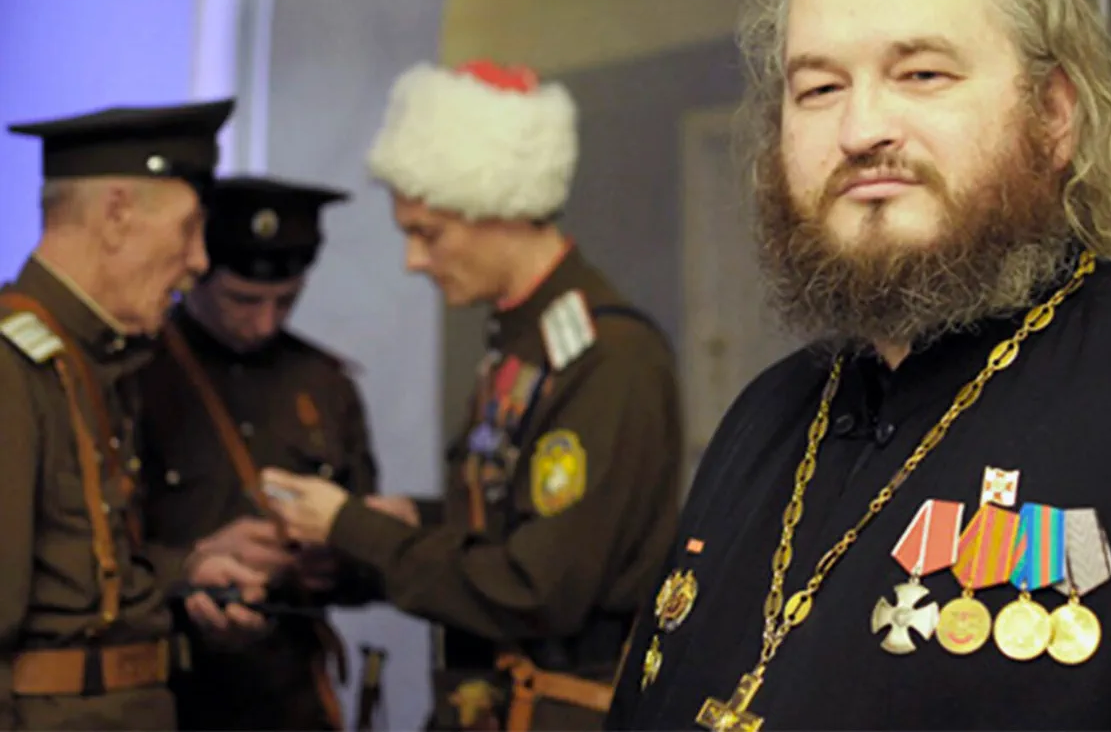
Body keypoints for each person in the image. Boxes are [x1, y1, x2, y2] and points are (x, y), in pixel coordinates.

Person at [604, 0, 1111, 731]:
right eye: (818, 87)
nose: (861, 129)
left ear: (1054, 115)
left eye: (922, 74)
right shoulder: (761, 418)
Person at [258, 60, 685, 731]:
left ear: (499, 209)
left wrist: (351, 526)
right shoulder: (523, 341)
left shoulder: (608, 357)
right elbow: (519, 516)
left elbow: (538, 587)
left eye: (428, 233)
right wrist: (415, 517)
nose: (413, 261)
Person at [0, 100, 273, 731]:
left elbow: (74, 568)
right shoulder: (14, 366)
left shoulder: (94, 357)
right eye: (188, 229)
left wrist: (187, 570)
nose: (200, 260)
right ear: (117, 214)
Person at [135, 175, 383, 730]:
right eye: (242, 300)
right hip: (167, 691)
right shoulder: (138, 375)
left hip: (287, 693)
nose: (265, 322)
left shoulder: (324, 384)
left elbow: (373, 556)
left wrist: (331, 565)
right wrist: (193, 561)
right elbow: (84, 553)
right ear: (198, 272)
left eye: (286, 300)